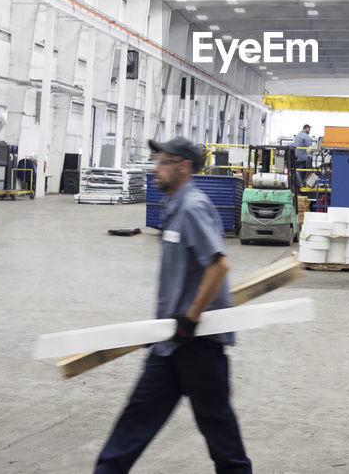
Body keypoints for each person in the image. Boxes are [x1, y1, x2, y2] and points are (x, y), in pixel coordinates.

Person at [94, 138, 252, 474]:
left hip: (198, 346)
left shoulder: (193, 207)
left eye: (163, 161)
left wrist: (191, 317)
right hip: (170, 344)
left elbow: (218, 266)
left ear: (184, 167)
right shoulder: (174, 206)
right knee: (135, 421)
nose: (155, 168)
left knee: (220, 434)